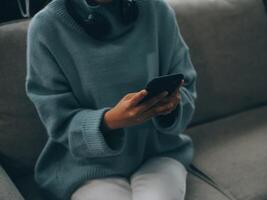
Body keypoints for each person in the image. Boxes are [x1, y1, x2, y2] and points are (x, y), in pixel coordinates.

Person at [25, 0, 198, 199]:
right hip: (88, 168)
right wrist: (110, 122)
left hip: (158, 154)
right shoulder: (46, 27)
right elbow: (59, 121)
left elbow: (186, 86)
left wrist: (172, 107)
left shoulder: (157, 9)